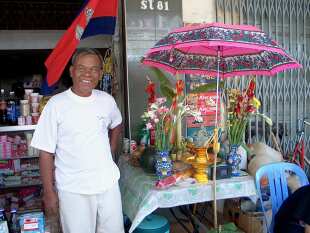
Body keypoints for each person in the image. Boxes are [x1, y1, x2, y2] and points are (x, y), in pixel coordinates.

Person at [31, 48, 124, 233]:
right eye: (82, 68)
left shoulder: (106, 100)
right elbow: (45, 152)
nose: (88, 74)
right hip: (73, 189)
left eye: (94, 69)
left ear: (100, 73)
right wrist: (49, 193)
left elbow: (117, 124)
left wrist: (110, 154)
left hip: (108, 184)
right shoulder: (56, 105)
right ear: (72, 71)